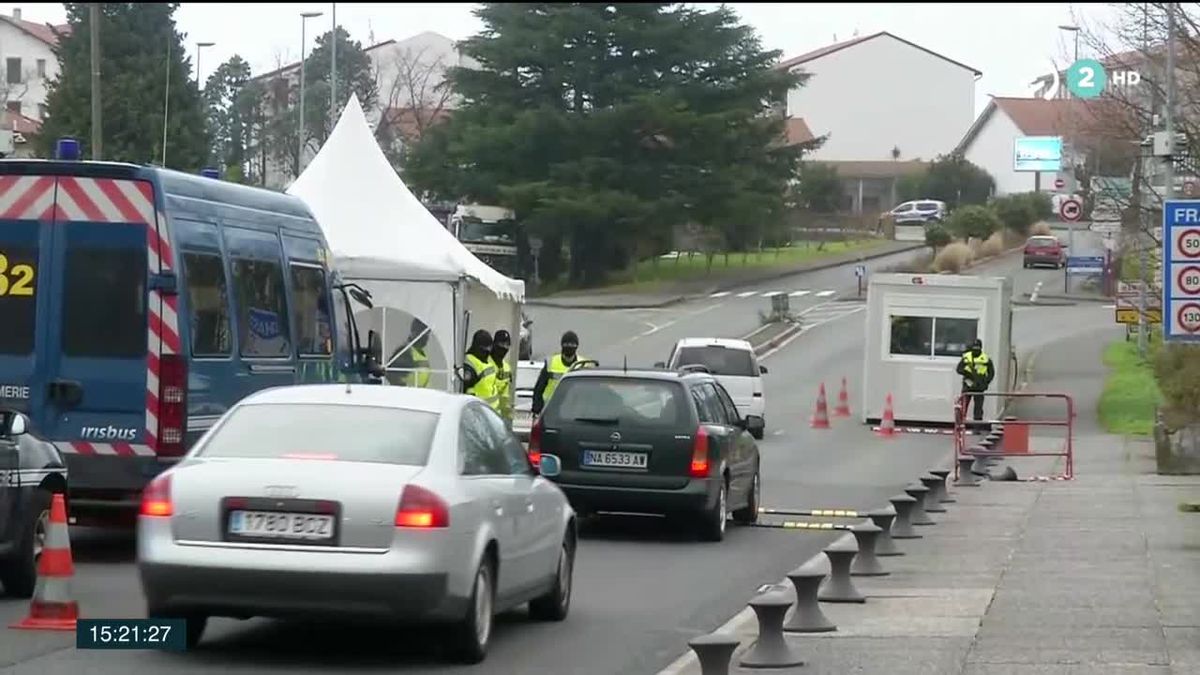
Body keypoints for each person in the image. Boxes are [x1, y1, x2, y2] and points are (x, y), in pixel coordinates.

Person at [532, 331, 585, 415]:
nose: (569, 347)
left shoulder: (583, 364)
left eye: (572, 345)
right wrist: (537, 409)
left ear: (577, 346)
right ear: (562, 345)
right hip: (551, 411)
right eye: (567, 344)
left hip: (576, 413)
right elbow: (539, 389)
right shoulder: (551, 363)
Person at [956, 338, 995, 424]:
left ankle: (977, 427)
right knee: (963, 406)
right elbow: (959, 369)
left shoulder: (985, 358)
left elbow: (991, 373)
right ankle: (960, 425)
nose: (976, 350)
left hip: (979, 386)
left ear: (981, 348)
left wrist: (985, 382)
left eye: (977, 348)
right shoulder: (967, 357)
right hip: (968, 385)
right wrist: (968, 374)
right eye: (974, 348)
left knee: (978, 408)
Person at [462, 329, 499, 410]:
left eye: (489, 347)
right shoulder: (470, 364)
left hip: (490, 412)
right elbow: (465, 390)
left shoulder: (486, 360)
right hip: (478, 413)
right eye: (486, 347)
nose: (488, 350)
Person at [490, 329, 514, 424]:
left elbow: (505, 397)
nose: (504, 348)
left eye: (507, 345)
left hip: (498, 418)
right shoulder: (486, 364)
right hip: (483, 415)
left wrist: (507, 419)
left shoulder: (507, 368)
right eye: (501, 344)